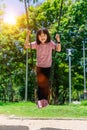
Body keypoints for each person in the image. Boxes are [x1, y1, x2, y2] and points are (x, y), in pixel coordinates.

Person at [24, 28, 61, 108]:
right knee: (40, 84)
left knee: (46, 84)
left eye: (44, 35)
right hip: (39, 67)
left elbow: (58, 49)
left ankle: (46, 101)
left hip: (48, 66)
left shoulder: (50, 43)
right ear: (38, 37)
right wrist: (27, 36)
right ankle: (40, 101)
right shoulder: (37, 44)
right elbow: (26, 46)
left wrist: (58, 40)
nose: (42, 37)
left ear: (47, 36)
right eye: (40, 36)